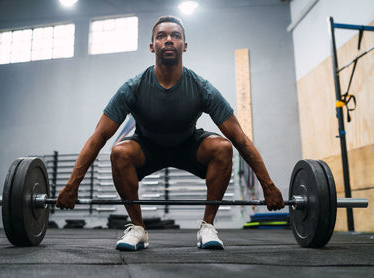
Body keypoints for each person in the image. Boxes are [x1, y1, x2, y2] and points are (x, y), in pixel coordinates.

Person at [56, 15, 285, 251]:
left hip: (188, 147)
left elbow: (239, 138)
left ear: (184, 46)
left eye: (175, 36)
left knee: (223, 147)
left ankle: (207, 226)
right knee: (119, 152)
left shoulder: (201, 87)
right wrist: (72, 185)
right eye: (161, 36)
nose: (168, 40)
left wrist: (267, 185)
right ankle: (137, 228)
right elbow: (98, 138)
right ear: (152, 45)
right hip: (147, 148)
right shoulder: (133, 87)